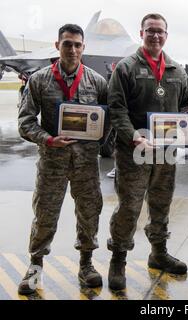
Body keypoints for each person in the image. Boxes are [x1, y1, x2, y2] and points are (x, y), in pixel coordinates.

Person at [17, 24, 107, 295]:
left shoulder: (97, 82)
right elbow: (25, 121)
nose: (73, 49)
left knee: (89, 212)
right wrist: (47, 139)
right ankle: (35, 265)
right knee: (45, 214)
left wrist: (96, 141)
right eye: (67, 43)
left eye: (77, 44)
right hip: (52, 161)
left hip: (86, 164)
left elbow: (107, 121)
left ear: (84, 47)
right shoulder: (40, 80)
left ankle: (87, 263)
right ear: (57, 46)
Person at [107, 13, 188, 290]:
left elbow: (186, 108)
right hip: (134, 153)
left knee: (161, 204)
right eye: (150, 31)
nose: (156, 36)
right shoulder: (126, 68)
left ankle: (158, 253)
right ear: (141, 33)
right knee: (129, 207)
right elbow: (116, 109)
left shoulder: (177, 70)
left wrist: (186, 131)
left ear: (167, 35)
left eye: (160, 31)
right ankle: (118, 258)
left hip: (165, 153)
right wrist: (134, 137)